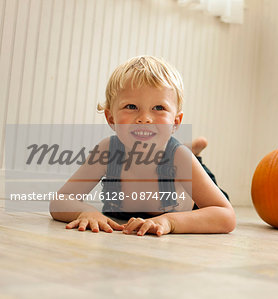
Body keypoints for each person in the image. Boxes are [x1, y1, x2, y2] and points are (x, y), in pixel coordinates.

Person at [50, 56, 235, 236]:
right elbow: (60, 200)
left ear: (176, 122)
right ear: (111, 118)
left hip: (186, 197)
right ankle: (193, 148)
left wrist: (170, 221)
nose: (144, 118)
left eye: (158, 108)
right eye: (131, 107)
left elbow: (225, 215)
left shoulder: (179, 158)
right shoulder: (107, 151)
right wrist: (85, 212)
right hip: (128, 215)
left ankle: (195, 153)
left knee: (186, 159)